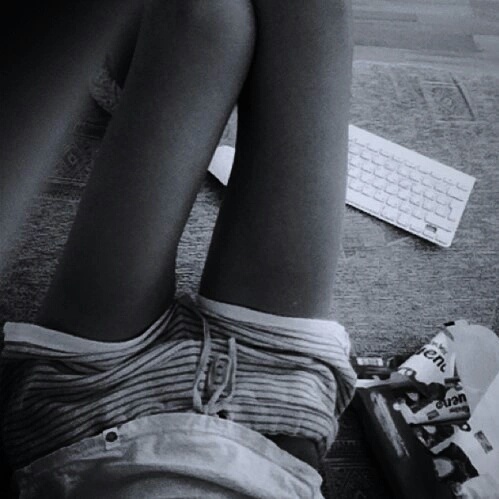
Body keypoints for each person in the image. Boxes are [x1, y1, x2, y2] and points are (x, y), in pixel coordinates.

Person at [0, 0, 356, 497]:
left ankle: (144, 73)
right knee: (308, 11)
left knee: (204, 17)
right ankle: (147, 76)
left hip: (86, 426)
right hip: (275, 437)